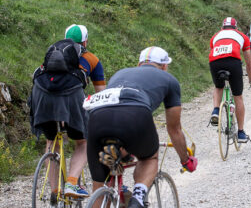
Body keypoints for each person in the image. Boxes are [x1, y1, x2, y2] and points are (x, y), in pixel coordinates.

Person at [85, 47, 197, 208]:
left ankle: (118, 154)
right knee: (149, 158)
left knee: (101, 187)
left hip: (97, 117)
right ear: (164, 66)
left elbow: (115, 108)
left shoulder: (120, 73)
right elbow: (174, 129)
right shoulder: (168, 79)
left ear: (139, 64)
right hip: (135, 114)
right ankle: (137, 198)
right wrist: (185, 160)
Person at [28, 25, 106, 200]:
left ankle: (54, 191)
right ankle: (71, 183)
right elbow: (102, 93)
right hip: (71, 94)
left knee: (51, 140)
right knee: (83, 142)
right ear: (85, 41)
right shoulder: (91, 59)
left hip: (41, 93)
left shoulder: (53, 52)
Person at [209, 17, 251, 143]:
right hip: (233, 62)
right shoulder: (243, 36)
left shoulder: (215, 36)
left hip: (215, 62)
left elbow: (214, 50)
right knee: (237, 96)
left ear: (222, 27)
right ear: (236, 27)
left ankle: (216, 110)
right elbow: (249, 63)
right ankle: (240, 133)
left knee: (218, 87)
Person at [65, 24, 106, 92]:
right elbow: (101, 92)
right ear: (85, 42)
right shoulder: (92, 59)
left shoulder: (54, 54)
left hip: (45, 93)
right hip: (72, 97)